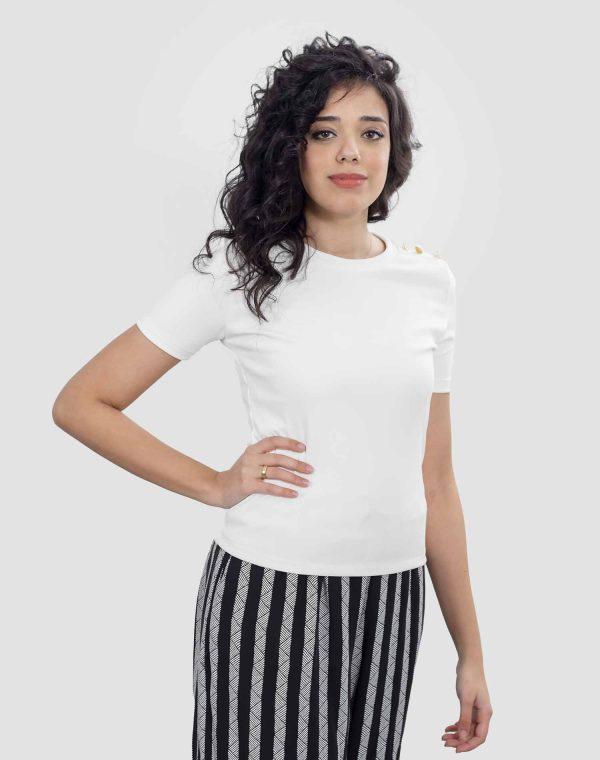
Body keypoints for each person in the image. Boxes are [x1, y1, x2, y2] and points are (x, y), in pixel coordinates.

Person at [52, 32, 492, 758]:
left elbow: (437, 482)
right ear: (292, 149)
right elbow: (82, 402)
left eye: (371, 132)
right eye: (324, 132)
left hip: (390, 600)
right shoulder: (242, 272)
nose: (350, 152)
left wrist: (469, 651)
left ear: (394, 152)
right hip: (270, 596)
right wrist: (215, 483)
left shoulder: (428, 284)